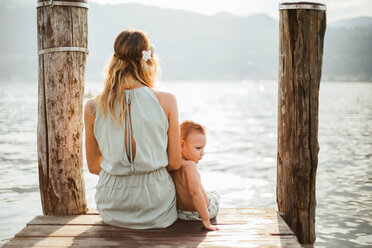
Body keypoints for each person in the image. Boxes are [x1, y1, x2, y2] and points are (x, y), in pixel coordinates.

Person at [84, 29, 182, 229]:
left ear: (114, 59)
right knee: (211, 199)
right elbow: (175, 162)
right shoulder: (167, 101)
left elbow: (94, 167)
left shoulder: (93, 106)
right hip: (156, 206)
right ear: (148, 59)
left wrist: (120, 163)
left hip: (112, 206)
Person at [170, 120, 220, 231]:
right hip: (202, 212)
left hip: (181, 214)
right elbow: (194, 193)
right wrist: (206, 220)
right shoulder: (190, 166)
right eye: (198, 148)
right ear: (182, 145)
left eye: (203, 148)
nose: (203, 153)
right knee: (214, 194)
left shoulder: (172, 164)